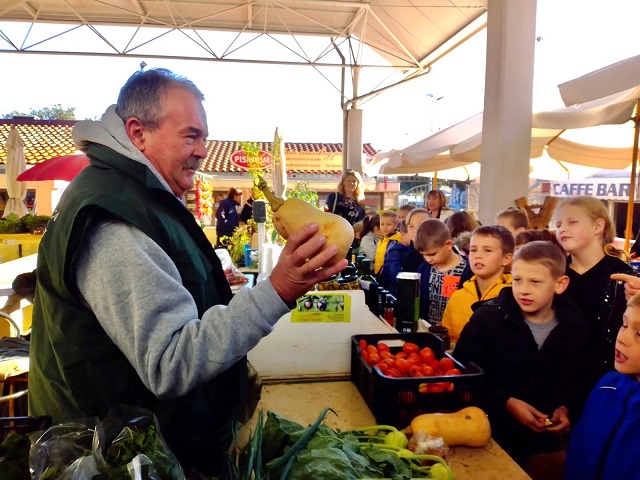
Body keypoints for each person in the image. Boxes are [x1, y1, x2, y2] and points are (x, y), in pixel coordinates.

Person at [28, 68, 347, 476]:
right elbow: (169, 361)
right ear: (137, 132)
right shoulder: (114, 219)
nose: (202, 151)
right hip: (121, 461)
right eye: (190, 136)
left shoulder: (133, 197)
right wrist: (279, 289)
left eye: (205, 138)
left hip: (138, 448)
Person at [453, 241, 592, 468]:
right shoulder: (486, 320)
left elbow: (580, 380)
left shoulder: (576, 327)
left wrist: (567, 409)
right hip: (488, 438)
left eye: (535, 282)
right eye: (517, 280)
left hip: (546, 447)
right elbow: (462, 375)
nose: (523, 290)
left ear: (560, 284)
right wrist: (505, 402)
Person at [563, 292, 640, 480]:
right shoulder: (607, 385)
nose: (622, 338)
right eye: (624, 324)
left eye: (639, 333)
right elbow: (579, 450)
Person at [555, 196, 634, 376]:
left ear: (598, 226)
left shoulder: (623, 276)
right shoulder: (554, 273)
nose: (562, 229)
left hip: (606, 377)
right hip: (558, 376)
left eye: (572, 222)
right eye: (558, 225)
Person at [441, 225, 514, 342]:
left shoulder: (513, 298)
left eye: (487, 250)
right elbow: (446, 340)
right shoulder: (457, 297)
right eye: (473, 250)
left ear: (506, 258)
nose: (478, 255)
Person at [415, 219, 472, 324]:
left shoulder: (468, 270)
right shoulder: (424, 268)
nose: (428, 259)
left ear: (448, 245)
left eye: (432, 254)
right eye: (424, 255)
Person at [378, 219, 410, 297]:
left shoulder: (411, 251)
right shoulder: (395, 252)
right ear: (402, 234)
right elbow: (394, 278)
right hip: (396, 295)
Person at [401, 207, 431, 273]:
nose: (416, 230)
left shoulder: (442, 251)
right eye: (411, 226)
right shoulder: (408, 256)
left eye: (421, 225)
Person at [373, 210, 401, 275]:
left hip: (388, 275)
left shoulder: (395, 242)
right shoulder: (383, 239)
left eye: (388, 224)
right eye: (382, 224)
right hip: (378, 274)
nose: (385, 227)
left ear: (395, 225)